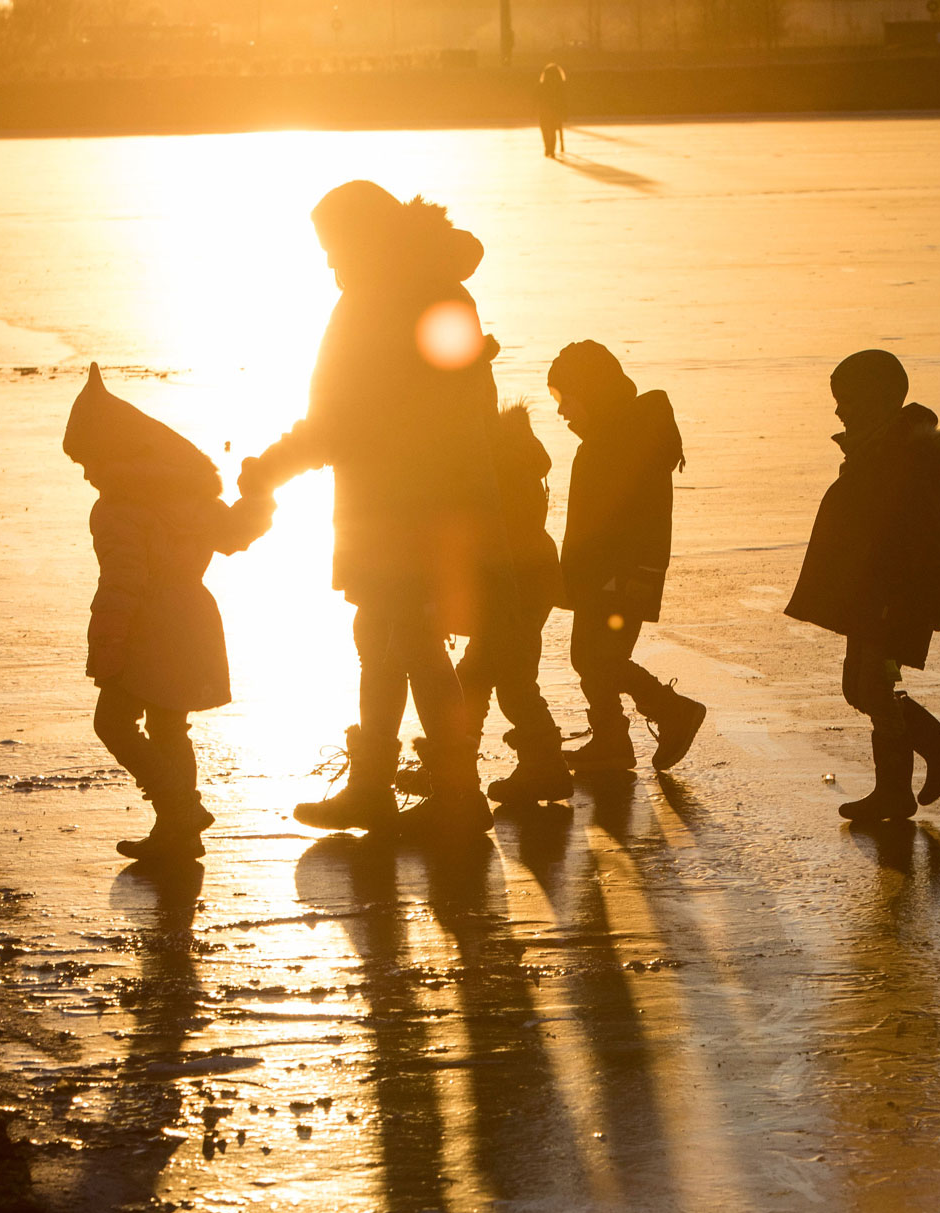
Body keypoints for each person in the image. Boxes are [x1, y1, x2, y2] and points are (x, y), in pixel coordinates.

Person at [251, 181, 506, 840]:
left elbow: (343, 419)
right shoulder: (422, 290)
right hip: (409, 501)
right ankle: (377, 786)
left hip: (409, 506)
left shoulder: (385, 301)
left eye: (336, 249)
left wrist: (270, 469)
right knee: (382, 636)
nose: (331, 265)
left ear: (366, 238)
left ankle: (455, 792)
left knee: (411, 638)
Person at [64, 363, 275, 862]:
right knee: (168, 726)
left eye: (89, 461)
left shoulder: (117, 509)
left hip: (146, 630)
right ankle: (180, 832)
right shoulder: (186, 493)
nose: (89, 473)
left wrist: (109, 651)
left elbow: (122, 585)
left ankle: (179, 808)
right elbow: (234, 535)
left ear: (114, 453)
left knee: (112, 723)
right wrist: (260, 497)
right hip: (193, 621)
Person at [783, 350, 940, 823]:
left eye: (847, 399)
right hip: (875, 597)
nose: (838, 409)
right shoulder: (881, 449)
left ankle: (928, 760)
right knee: (864, 686)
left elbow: (913, 541)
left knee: (870, 683)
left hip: (893, 600)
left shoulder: (903, 458)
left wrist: (893, 603)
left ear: (877, 399)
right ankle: (913, 770)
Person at [545, 339, 704, 775]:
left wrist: (616, 576)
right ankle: (612, 739)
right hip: (606, 574)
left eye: (564, 399)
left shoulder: (622, 442)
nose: (562, 412)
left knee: (602, 658)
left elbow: (626, 523)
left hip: (620, 575)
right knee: (589, 656)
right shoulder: (611, 438)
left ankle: (672, 711)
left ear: (590, 391)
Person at [454, 402, 574, 807]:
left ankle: (463, 768)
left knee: (497, 677)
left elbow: (490, 535)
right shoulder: (515, 455)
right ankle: (535, 766)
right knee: (496, 673)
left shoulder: (496, 462)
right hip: (529, 576)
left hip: (513, 579)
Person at [536, 63, 567, 159]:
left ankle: (547, 147)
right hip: (555, 110)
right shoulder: (560, 86)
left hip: (544, 111)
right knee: (552, 130)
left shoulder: (542, 86)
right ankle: (551, 149)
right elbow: (563, 100)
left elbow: (537, 98)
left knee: (545, 129)